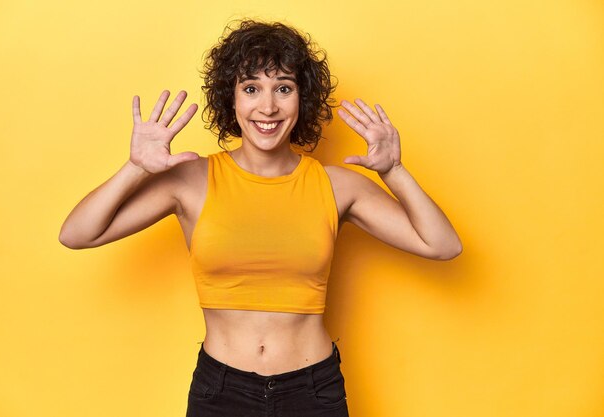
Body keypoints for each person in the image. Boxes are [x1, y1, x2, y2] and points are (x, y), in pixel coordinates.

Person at [59, 19, 462, 417]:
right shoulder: (191, 180)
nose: (267, 107)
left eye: (283, 88)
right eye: (251, 88)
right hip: (221, 392)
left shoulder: (338, 186)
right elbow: (77, 234)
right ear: (230, 99)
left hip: (313, 391)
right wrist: (136, 169)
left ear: (301, 98)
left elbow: (443, 245)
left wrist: (394, 171)